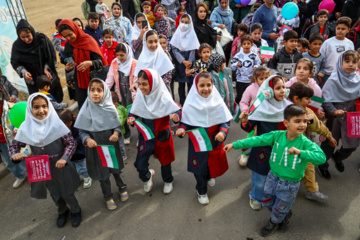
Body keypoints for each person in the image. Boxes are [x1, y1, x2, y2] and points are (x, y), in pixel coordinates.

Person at [224, 104, 326, 237]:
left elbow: (321, 158)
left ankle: (274, 222)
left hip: (290, 184)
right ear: (286, 123)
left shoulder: (306, 143)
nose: (302, 125)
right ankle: (283, 213)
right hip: (272, 177)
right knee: (266, 201)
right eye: (297, 121)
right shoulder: (276, 136)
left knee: (279, 209)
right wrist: (234, 144)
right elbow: (256, 140)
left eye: (305, 121)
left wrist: (301, 153)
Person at [10, 93, 82, 228]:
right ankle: (62, 211)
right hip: (42, 169)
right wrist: (15, 154)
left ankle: (76, 210)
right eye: (36, 107)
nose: (41, 110)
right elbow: (14, 145)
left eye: (44, 106)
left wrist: (64, 158)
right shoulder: (26, 127)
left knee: (67, 192)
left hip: (61, 166)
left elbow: (71, 143)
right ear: (30, 110)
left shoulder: (57, 124)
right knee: (54, 194)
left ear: (49, 107)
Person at [176, 72, 232, 205]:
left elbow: (225, 121)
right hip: (198, 143)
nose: (206, 88)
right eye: (202, 85)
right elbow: (186, 121)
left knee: (212, 164)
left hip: (214, 141)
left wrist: (223, 132)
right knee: (199, 167)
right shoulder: (191, 103)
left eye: (209, 85)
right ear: (196, 87)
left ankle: (209, 176)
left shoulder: (217, 102)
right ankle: (201, 190)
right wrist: (182, 128)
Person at [237, 75, 291, 211]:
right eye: (278, 88)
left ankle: (270, 195)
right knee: (260, 178)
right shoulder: (260, 107)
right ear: (269, 91)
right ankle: (255, 196)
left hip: (282, 150)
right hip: (263, 149)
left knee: (276, 177)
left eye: (284, 87)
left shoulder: (289, 108)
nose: (282, 91)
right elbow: (249, 127)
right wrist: (245, 120)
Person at [75, 79, 128, 210]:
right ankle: (108, 196)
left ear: (105, 92)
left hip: (111, 146)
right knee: (102, 174)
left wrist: (116, 134)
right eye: (92, 90)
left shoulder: (110, 108)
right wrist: (87, 140)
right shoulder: (86, 110)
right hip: (97, 150)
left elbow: (117, 126)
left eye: (99, 90)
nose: (96, 93)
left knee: (116, 170)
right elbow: (82, 131)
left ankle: (122, 187)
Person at [127, 69, 181, 194]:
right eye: (139, 84)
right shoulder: (141, 96)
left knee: (165, 161)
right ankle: (147, 176)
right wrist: (131, 118)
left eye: (144, 84)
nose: (141, 87)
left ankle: (168, 181)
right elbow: (134, 111)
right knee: (140, 163)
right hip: (146, 136)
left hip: (162, 134)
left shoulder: (163, 96)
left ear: (154, 83)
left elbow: (177, 109)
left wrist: (176, 116)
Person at [288, 82, 335, 202]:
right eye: (307, 98)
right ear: (296, 99)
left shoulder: (308, 112)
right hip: (284, 148)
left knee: (308, 166)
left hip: (301, 147)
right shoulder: (283, 110)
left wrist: (329, 136)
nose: (310, 101)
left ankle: (312, 191)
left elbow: (318, 127)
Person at [318, 50, 360, 180]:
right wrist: (333, 111)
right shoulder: (333, 80)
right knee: (330, 144)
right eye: (347, 61)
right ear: (340, 62)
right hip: (335, 117)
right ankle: (323, 165)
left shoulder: (357, 79)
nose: (350, 64)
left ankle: (338, 157)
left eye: (354, 62)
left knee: (352, 145)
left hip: (352, 115)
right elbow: (324, 99)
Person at [11, 19, 63, 102]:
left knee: (55, 100)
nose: (26, 39)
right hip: (33, 81)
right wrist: (24, 72)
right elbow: (15, 62)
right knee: (39, 102)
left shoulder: (42, 39)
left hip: (48, 76)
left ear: (32, 32)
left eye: (28, 36)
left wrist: (46, 67)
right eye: (23, 37)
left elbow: (51, 54)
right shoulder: (17, 46)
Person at [59, 19, 107, 109]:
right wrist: (68, 68)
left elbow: (101, 61)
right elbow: (68, 60)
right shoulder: (69, 45)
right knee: (83, 108)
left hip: (93, 80)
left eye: (70, 34)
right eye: (65, 37)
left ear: (75, 29)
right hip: (80, 83)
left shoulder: (88, 40)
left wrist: (90, 63)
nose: (69, 38)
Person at [238, 66, 271, 166]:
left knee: (267, 137)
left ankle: (266, 155)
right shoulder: (250, 88)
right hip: (253, 119)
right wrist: (246, 112)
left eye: (267, 78)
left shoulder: (272, 88)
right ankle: (245, 154)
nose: (264, 81)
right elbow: (243, 102)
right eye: (261, 78)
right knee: (251, 137)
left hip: (267, 119)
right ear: (255, 79)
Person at [106, 43, 137, 145]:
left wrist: (136, 93)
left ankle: (140, 137)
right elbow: (110, 79)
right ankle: (127, 135)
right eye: (117, 55)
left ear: (127, 54)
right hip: (121, 93)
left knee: (136, 114)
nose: (119, 57)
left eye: (122, 55)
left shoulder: (135, 63)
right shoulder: (115, 63)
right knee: (123, 114)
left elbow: (137, 80)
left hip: (132, 93)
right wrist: (105, 91)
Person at [0, 76, 26, 189]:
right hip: (1, 140)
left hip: (11, 129)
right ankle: (19, 175)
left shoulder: (2, 79)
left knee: (23, 154)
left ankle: (34, 174)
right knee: (8, 161)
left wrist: (13, 97)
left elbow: (13, 90)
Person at [59, 109, 93, 189]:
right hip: (70, 154)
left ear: (70, 123)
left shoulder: (77, 128)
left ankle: (86, 177)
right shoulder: (63, 129)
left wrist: (68, 143)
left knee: (80, 166)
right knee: (74, 167)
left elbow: (79, 139)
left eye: (63, 124)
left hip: (78, 153)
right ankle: (81, 174)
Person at [170, 14, 199, 105]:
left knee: (191, 83)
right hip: (180, 63)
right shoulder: (177, 34)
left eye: (187, 22)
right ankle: (182, 103)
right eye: (182, 22)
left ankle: (190, 103)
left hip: (190, 63)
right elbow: (174, 49)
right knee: (181, 85)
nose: (184, 24)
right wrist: (183, 61)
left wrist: (189, 62)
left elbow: (193, 48)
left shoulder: (192, 34)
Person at [319, 17, 354, 87]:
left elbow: (351, 59)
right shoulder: (327, 42)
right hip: (328, 75)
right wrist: (320, 73)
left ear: (348, 30)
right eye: (338, 28)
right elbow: (321, 58)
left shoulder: (350, 43)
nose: (340, 31)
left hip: (343, 75)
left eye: (343, 29)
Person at [231, 35, 261, 104]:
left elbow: (259, 64)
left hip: (251, 81)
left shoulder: (254, 56)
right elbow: (232, 67)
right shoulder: (238, 55)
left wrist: (256, 66)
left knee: (250, 97)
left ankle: (248, 111)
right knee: (240, 97)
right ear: (241, 45)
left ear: (252, 45)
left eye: (248, 43)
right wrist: (236, 64)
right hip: (240, 80)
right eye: (244, 44)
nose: (246, 45)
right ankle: (239, 111)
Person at [111, 91, 128, 160]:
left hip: (118, 131)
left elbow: (120, 122)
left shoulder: (118, 110)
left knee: (119, 144)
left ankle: (123, 154)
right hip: (112, 130)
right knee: (114, 144)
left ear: (116, 103)